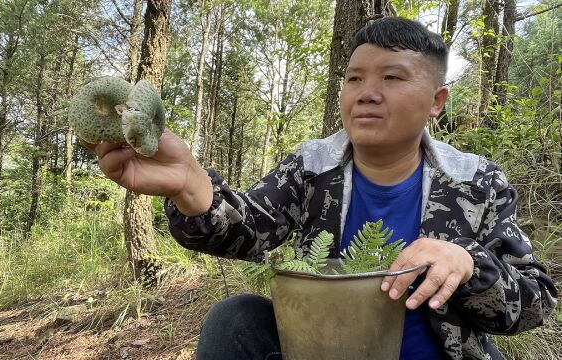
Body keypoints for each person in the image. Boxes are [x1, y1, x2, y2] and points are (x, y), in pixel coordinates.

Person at [87, 17, 558, 360]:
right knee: (235, 319)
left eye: (392, 77)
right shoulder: (312, 168)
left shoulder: (475, 181)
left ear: (437, 101)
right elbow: (249, 230)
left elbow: (536, 304)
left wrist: (468, 263)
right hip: (321, 348)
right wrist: (190, 185)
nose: (365, 92)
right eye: (354, 78)